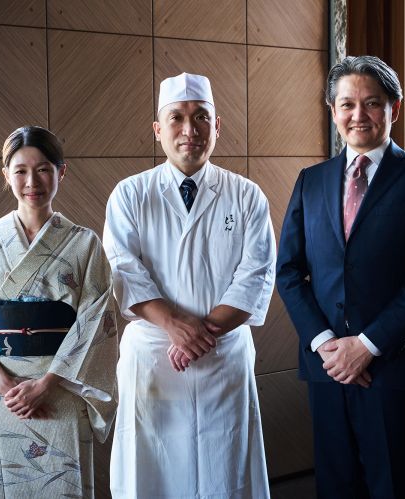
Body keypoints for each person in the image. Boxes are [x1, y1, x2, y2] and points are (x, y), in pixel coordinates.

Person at [276, 55, 405, 499]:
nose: (359, 115)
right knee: (335, 487)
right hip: (326, 367)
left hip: (389, 367)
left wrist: (367, 345)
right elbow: (289, 271)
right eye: (347, 104)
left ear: (395, 107)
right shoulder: (310, 181)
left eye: (372, 103)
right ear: (332, 111)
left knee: (390, 486)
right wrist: (327, 345)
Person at [104, 72, 276, 498]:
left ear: (216, 126)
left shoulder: (246, 196)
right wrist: (174, 327)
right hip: (154, 359)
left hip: (223, 356)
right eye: (176, 118)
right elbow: (122, 268)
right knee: (152, 470)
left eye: (201, 117)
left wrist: (199, 334)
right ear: (158, 130)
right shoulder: (130, 195)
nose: (189, 129)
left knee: (225, 469)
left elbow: (256, 272)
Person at [0, 126, 119, 497]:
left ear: (61, 172)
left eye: (43, 169)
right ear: (6, 175)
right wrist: (0, 379)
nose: (31, 181)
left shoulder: (85, 243)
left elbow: (95, 323)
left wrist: (46, 384)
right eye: (20, 170)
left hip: (61, 392)